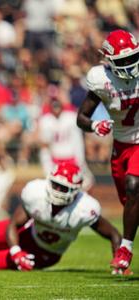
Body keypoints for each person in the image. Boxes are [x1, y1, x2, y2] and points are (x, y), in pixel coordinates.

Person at [77, 29, 139, 274]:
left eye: (133, 57)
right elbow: (81, 117)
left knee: (134, 185)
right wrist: (94, 125)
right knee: (130, 202)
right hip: (121, 146)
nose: (130, 65)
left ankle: (125, 248)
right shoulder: (100, 79)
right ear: (109, 60)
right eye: (123, 61)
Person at [39, 93, 94, 190]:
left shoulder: (70, 117)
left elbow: (78, 141)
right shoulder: (46, 120)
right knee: (56, 187)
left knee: (86, 183)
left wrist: (80, 160)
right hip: (56, 160)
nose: (56, 108)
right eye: (54, 105)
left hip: (71, 158)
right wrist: (47, 164)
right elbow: (44, 146)